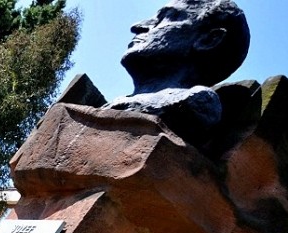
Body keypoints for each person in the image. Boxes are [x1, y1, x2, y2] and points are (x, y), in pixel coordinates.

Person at [103, 0, 250, 143]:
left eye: (168, 17)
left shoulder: (193, 103)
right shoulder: (116, 103)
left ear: (208, 39)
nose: (138, 26)